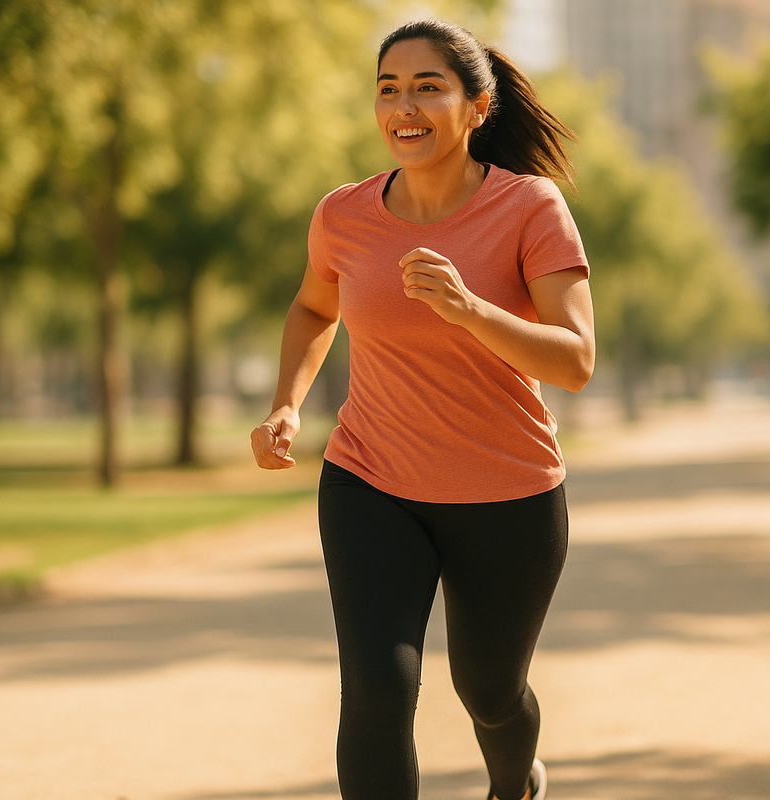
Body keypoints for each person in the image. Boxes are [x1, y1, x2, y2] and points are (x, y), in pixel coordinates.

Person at [250, 18, 594, 800]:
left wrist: (472, 311)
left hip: (509, 494)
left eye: (427, 87)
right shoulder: (343, 215)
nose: (404, 105)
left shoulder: (530, 208)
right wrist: (286, 404)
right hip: (371, 482)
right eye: (388, 89)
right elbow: (313, 309)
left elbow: (575, 360)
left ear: (476, 107)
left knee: (490, 691)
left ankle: (517, 783)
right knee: (377, 688)